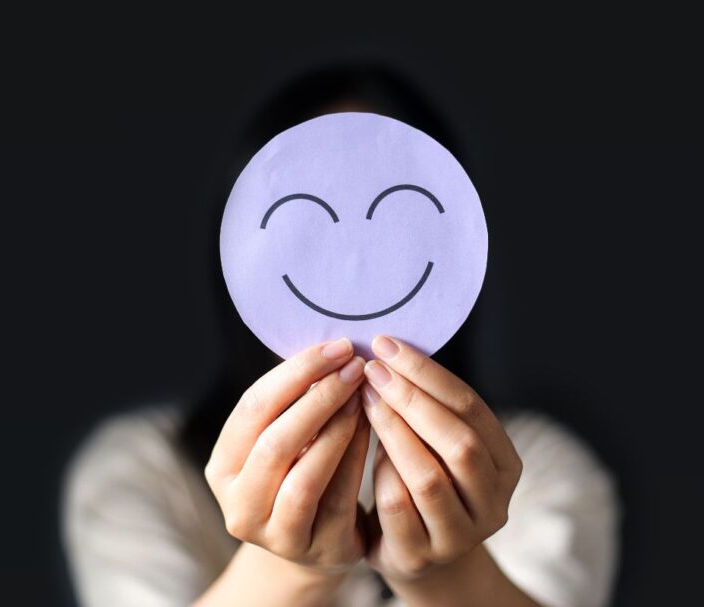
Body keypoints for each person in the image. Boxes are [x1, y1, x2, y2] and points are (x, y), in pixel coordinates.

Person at [62, 65, 619, 607]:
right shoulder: (143, 470)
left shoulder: (539, 472)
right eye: (308, 222)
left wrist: (448, 574)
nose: (354, 252)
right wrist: (286, 569)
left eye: (399, 219)